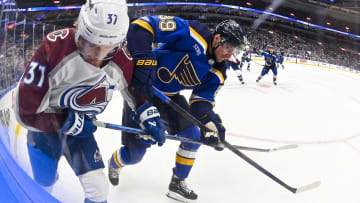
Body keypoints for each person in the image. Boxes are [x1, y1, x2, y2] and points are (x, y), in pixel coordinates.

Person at [14, 1, 165, 203]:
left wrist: (147, 111)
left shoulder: (121, 56)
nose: (98, 58)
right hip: (44, 130)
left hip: (80, 129)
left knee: (99, 189)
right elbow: (25, 110)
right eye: (91, 45)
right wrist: (66, 121)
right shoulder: (54, 47)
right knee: (44, 183)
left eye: (109, 49)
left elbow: (132, 89)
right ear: (79, 29)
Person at [108, 16, 247, 202]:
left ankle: (177, 183)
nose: (230, 54)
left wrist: (211, 122)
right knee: (135, 155)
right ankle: (114, 162)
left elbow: (200, 102)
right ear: (217, 39)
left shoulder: (218, 72)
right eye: (229, 47)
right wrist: (143, 59)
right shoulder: (192, 32)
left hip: (170, 97)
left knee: (194, 136)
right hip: (143, 92)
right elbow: (142, 26)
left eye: (235, 50)